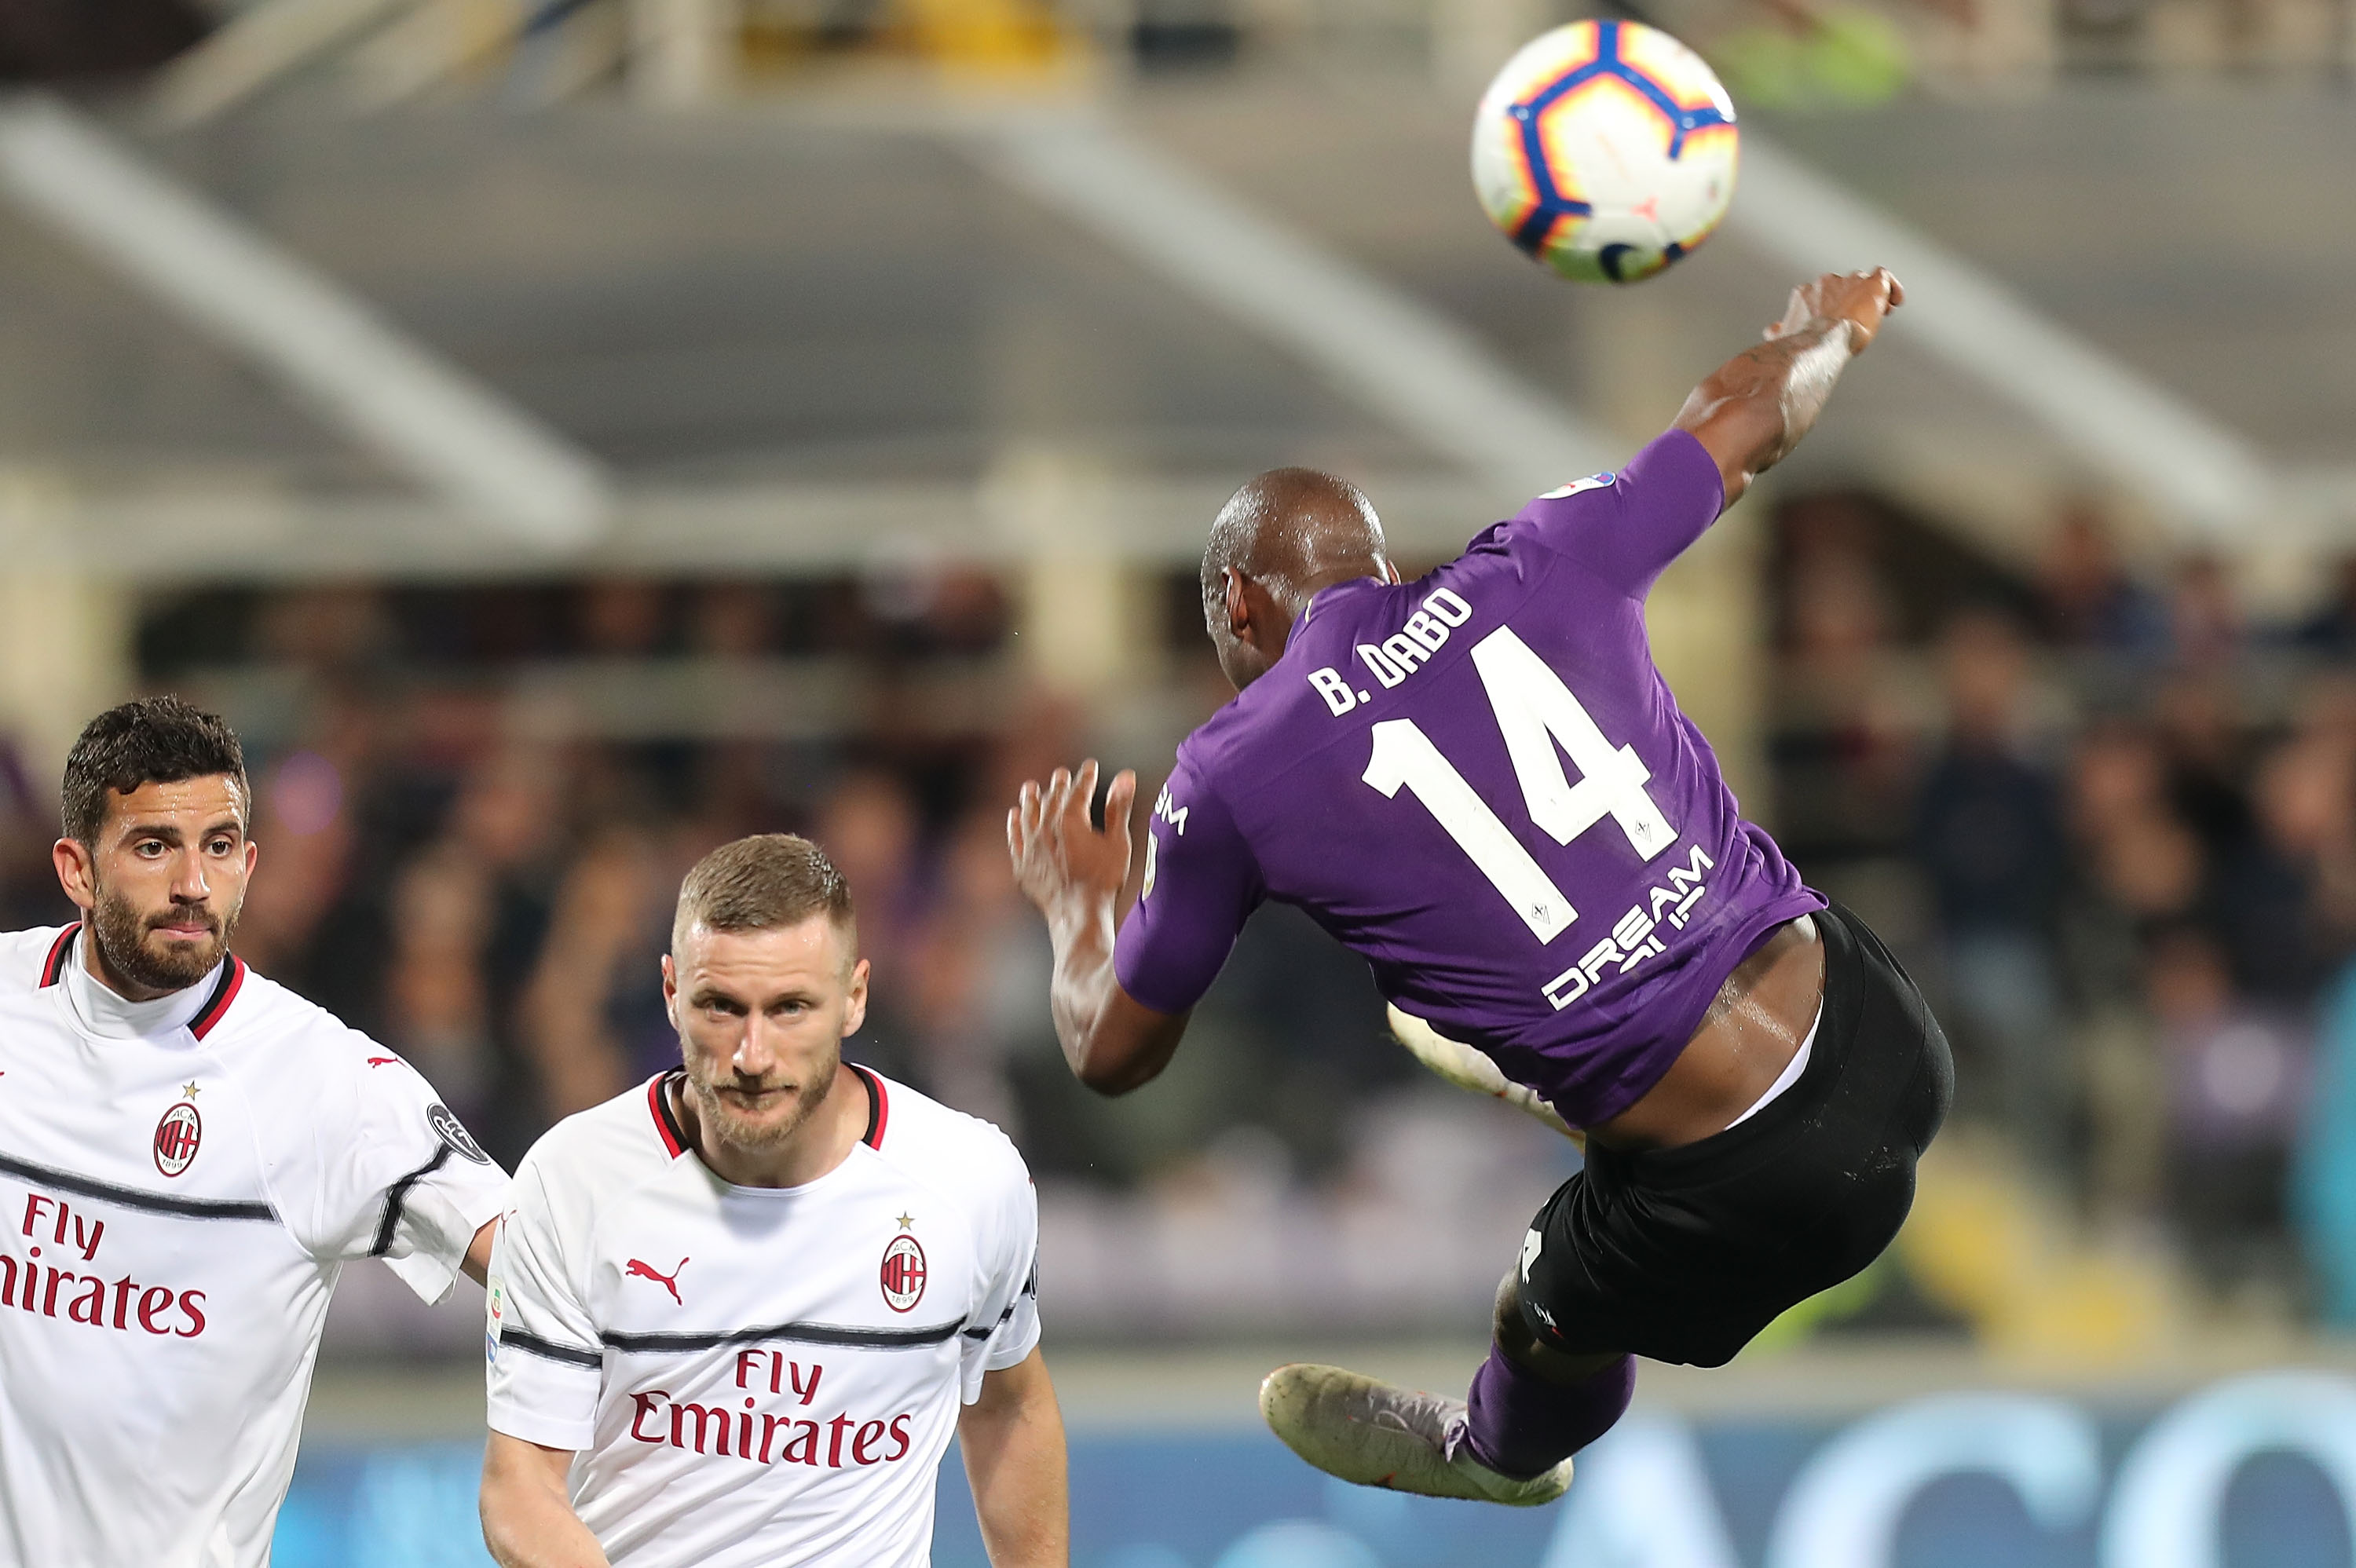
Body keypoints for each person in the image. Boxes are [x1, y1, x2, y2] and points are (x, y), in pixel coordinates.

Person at [1008, 270, 1950, 1505]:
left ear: (1236, 604)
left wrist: (1080, 906)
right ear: (1381, 562)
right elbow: (1743, 413)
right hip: (1887, 1037)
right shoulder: (1542, 559)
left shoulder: (1227, 774)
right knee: (1668, 940)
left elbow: (1113, 1054)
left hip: (1740, 1186)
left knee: (1542, 1315)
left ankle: (1493, 1451)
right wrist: (1828, 326)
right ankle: (1547, 1069)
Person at [0, 696, 509, 1565]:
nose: (194, 883)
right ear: (76, 868)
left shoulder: (325, 1083)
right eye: (154, 846)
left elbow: (544, 1269)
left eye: (221, 846)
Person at [478, 833, 1066, 1568]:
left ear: (854, 997)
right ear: (670, 992)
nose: (752, 1055)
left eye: (790, 1008)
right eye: (721, 1007)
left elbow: (1010, 1406)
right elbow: (520, 1485)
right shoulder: (571, 1181)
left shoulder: (971, 1181)